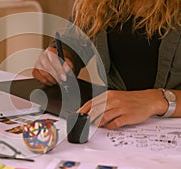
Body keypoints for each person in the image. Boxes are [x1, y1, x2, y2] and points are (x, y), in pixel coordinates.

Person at [32, 0, 181, 130]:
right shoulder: (96, 3)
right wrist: (57, 61)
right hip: (114, 128)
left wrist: (158, 100)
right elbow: (74, 42)